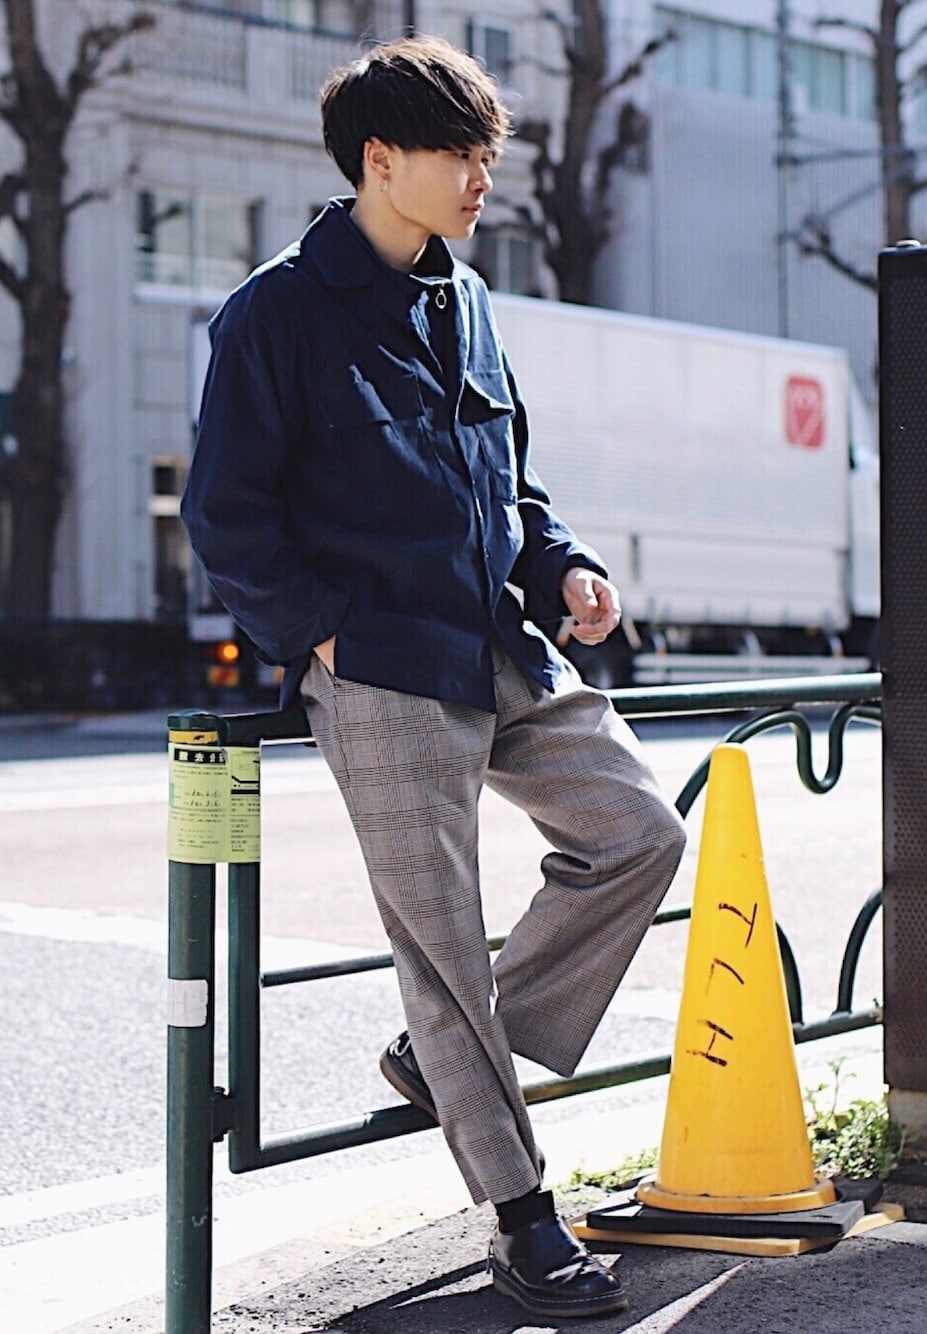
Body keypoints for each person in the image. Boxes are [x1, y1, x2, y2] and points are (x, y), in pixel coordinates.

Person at [182, 34, 685, 1321]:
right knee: (442, 937)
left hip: (498, 642)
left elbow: (511, 479)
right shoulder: (275, 314)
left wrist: (562, 563)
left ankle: (450, 1048)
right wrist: (322, 636)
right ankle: (522, 1218)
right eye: (459, 153)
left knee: (638, 830)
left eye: (486, 153)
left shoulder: (466, 299)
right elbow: (227, 515)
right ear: (379, 159)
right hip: (380, 669)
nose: (480, 177)